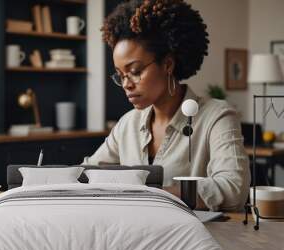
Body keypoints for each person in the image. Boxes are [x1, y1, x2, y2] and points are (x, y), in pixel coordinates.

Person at [82, 0, 250, 211]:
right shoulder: (128, 124)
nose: (126, 84)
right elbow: (87, 173)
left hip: (193, 239)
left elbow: (234, 190)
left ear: (168, 64)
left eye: (135, 71)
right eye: (120, 75)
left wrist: (151, 193)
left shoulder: (217, 117)